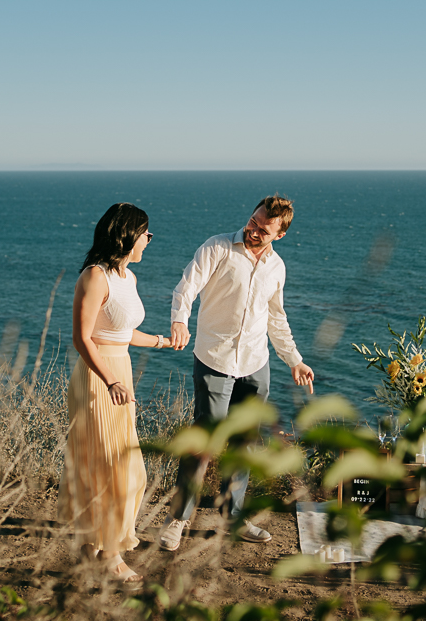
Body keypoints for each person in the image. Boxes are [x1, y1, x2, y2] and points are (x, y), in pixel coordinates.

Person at [159, 194, 314, 551]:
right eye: (253, 221)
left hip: (255, 365)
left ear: (280, 234)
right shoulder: (217, 248)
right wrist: (179, 321)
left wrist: (294, 359)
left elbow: (276, 317)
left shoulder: (277, 268)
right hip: (214, 359)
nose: (254, 230)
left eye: (264, 229)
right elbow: (187, 287)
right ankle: (178, 519)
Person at [57, 202, 174, 583]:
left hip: (119, 372)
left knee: (112, 470)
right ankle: (109, 555)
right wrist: (109, 379)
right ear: (126, 234)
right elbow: (83, 338)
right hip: (98, 378)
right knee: (120, 472)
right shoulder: (95, 277)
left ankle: (92, 546)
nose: (149, 240)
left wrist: (161, 341)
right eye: (146, 233)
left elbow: (121, 334)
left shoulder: (128, 278)